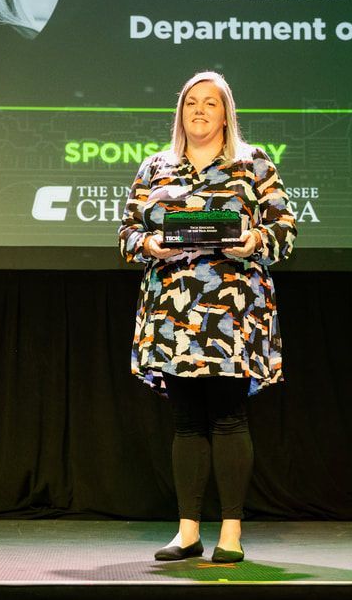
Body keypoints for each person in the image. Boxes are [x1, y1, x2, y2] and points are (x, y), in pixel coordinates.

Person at [118, 71, 297, 563]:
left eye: (210, 103)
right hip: (172, 312)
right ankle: (187, 532)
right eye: (191, 102)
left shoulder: (253, 163)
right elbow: (127, 232)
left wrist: (254, 241)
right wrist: (147, 243)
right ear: (181, 112)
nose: (199, 110)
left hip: (234, 311)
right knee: (186, 422)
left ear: (226, 113)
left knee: (228, 418)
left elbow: (284, 228)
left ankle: (232, 534)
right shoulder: (155, 167)